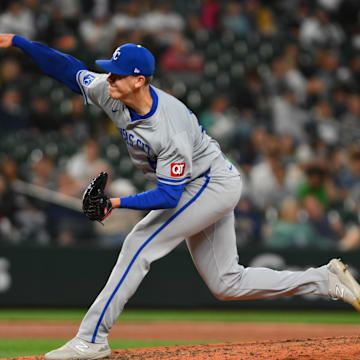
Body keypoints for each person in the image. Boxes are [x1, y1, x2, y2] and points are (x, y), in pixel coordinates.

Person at [0, 33, 359, 360]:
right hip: (202, 181)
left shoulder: (168, 129)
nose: (107, 79)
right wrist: (19, 41)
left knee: (138, 243)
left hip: (209, 183)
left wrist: (117, 204)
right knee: (226, 283)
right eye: (108, 73)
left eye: (116, 74)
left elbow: (170, 196)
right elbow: (67, 68)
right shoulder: (110, 92)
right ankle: (324, 280)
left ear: (138, 80)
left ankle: (92, 338)